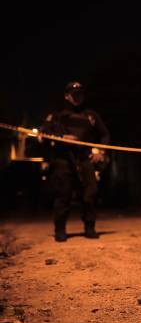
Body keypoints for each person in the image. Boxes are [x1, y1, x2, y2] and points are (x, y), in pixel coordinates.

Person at [41, 82, 110, 242]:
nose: (78, 96)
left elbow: (105, 134)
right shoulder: (56, 115)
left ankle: (90, 227)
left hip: (84, 159)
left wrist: (100, 151)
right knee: (63, 195)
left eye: (80, 93)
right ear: (67, 96)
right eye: (74, 94)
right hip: (63, 160)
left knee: (90, 194)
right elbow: (44, 133)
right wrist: (61, 138)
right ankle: (60, 230)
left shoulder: (91, 115)